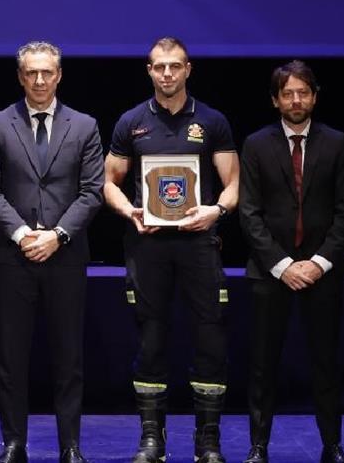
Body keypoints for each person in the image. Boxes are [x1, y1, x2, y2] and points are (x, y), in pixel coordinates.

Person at [102, 37, 238, 463]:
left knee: (210, 342)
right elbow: (108, 182)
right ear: (149, 70)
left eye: (174, 66)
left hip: (199, 245)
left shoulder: (212, 121)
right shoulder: (131, 122)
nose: (167, 74)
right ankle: (151, 441)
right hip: (149, 247)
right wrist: (130, 211)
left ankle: (208, 442)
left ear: (187, 69)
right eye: (159, 67)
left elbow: (234, 184)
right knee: (151, 342)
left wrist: (215, 210)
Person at [0, 41, 104, 463]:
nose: (40, 80)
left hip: (66, 256)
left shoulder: (84, 125)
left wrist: (58, 235)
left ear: (59, 75)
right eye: (31, 72)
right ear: (20, 76)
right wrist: (22, 234)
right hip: (14, 257)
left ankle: (70, 445)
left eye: (47, 72)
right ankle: (14, 444)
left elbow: (92, 191)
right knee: (11, 357)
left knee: (69, 357)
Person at [238, 61, 344, 463]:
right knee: (262, 366)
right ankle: (258, 447)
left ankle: (332, 445)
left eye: (303, 92)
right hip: (271, 274)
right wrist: (283, 265)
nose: (296, 100)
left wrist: (318, 262)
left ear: (314, 96)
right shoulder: (255, 144)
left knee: (325, 363)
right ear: (275, 100)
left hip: (323, 273)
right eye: (287, 93)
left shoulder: (337, 143)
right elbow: (249, 213)